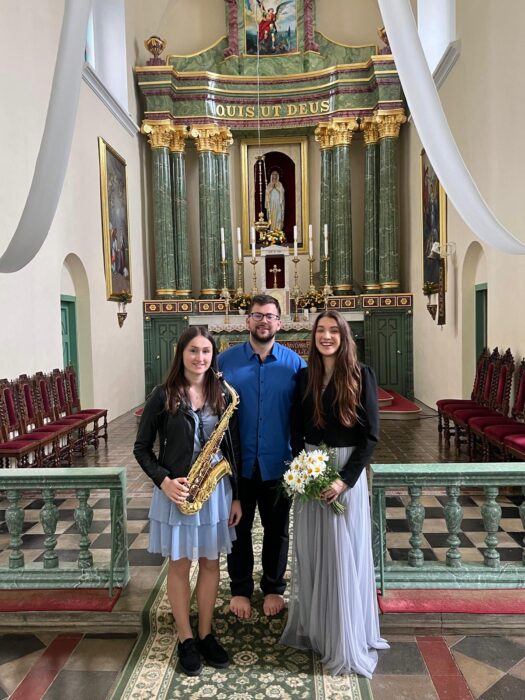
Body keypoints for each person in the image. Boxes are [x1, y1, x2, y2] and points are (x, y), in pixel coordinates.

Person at [280, 310, 389, 677]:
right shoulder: (304, 376)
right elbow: (296, 428)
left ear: (344, 336)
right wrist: (303, 468)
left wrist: (343, 480)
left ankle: (344, 634)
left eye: (333, 331)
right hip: (312, 469)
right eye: (320, 331)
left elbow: (370, 436)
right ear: (313, 337)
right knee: (313, 549)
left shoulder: (361, 375)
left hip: (344, 474)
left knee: (342, 552)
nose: (326, 336)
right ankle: (318, 628)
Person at [133, 326, 242, 677]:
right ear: (181, 354)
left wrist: (237, 496)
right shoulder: (162, 395)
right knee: (180, 565)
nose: (200, 357)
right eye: (193, 350)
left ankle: (206, 633)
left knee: (211, 563)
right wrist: (163, 481)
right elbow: (141, 448)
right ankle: (186, 638)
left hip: (215, 490)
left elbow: (233, 449)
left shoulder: (222, 394)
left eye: (206, 351)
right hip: (177, 488)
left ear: (213, 355)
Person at [218, 294, 305, 619]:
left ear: (279, 323)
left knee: (277, 530)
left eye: (270, 316)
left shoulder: (295, 365)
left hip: (280, 463)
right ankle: (240, 589)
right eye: (257, 315)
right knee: (237, 529)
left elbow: (307, 413)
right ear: (248, 321)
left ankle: (273, 587)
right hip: (236, 464)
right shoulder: (224, 362)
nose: (263, 321)